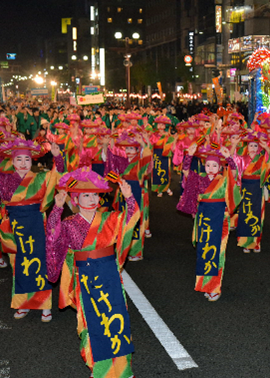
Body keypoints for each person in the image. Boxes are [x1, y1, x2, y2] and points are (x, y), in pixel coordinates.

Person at [45, 167, 140, 378]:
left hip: (109, 276)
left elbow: (131, 220)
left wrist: (129, 197)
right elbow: (53, 238)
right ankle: (100, 369)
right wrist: (57, 209)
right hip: (85, 279)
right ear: (75, 199)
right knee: (91, 322)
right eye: (85, 195)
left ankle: (123, 370)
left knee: (117, 319)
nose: (90, 199)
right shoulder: (69, 224)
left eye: (94, 194)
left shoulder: (110, 218)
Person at [0, 138, 63, 321]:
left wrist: (57, 158)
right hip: (14, 227)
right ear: (12, 161)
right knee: (18, 265)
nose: (23, 163)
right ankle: (23, 303)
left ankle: (44, 305)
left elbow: (56, 176)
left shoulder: (40, 177)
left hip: (36, 223)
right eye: (18, 159)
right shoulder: (4, 180)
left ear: (32, 161)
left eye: (27, 160)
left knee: (40, 262)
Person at [176, 143, 241, 301]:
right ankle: (205, 284)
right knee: (204, 251)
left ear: (219, 167)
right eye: (208, 165)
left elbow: (234, 174)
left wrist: (228, 158)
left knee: (217, 252)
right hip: (204, 218)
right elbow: (186, 172)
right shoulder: (198, 180)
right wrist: (189, 156)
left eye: (214, 165)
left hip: (220, 218)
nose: (211, 168)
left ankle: (215, 287)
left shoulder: (224, 179)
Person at [103, 131, 152, 261]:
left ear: (137, 150)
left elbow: (147, 158)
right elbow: (110, 162)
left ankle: (135, 251)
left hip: (136, 192)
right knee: (123, 220)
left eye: (132, 148)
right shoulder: (122, 161)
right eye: (127, 148)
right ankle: (122, 247)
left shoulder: (140, 162)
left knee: (135, 220)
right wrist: (106, 145)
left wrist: (143, 143)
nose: (129, 151)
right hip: (123, 193)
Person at [234, 131, 270, 253]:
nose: (252, 148)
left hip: (257, 189)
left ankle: (256, 243)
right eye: (250, 145)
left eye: (255, 146)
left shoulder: (262, 159)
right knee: (245, 214)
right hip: (245, 189)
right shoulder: (242, 159)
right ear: (247, 147)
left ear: (259, 148)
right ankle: (245, 242)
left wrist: (267, 147)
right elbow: (232, 160)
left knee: (257, 214)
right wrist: (234, 145)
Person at [150, 115, 176, 197]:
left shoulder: (168, 135)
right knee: (156, 171)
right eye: (159, 124)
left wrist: (173, 139)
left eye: (162, 124)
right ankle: (158, 189)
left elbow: (171, 146)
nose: (160, 126)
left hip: (165, 154)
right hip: (156, 154)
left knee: (166, 171)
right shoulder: (154, 134)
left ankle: (166, 187)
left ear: (165, 126)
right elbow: (151, 144)